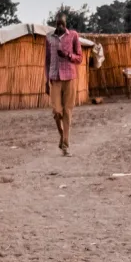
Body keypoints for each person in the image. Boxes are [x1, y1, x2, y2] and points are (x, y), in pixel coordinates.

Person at [44, 13, 83, 156]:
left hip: (70, 77)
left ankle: (65, 145)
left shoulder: (73, 36)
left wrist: (67, 55)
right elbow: (47, 60)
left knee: (67, 111)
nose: (60, 26)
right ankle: (62, 135)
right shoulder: (49, 37)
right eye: (58, 23)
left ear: (66, 24)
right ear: (55, 23)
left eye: (63, 23)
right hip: (54, 78)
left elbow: (80, 58)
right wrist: (46, 80)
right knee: (56, 111)